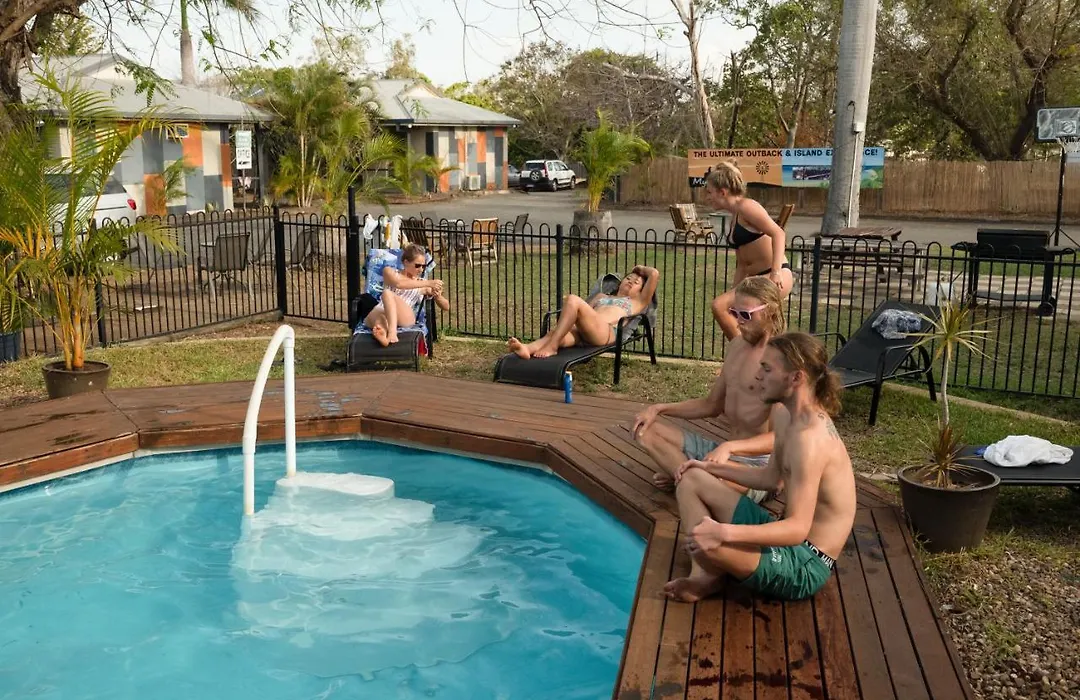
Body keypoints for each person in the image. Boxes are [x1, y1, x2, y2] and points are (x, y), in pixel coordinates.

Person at [662, 332, 855, 603]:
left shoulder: (811, 441)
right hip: (784, 537)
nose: (757, 376)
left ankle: (711, 567)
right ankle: (706, 574)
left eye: (766, 369)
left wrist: (723, 532)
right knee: (691, 478)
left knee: (706, 543)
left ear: (796, 378)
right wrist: (709, 468)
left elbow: (797, 529)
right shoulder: (787, 416)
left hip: (805, 562)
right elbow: (770, 479)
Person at [633, 276, 786, 502]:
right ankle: (690, 477)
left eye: (746, 315)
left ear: (770, 312)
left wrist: (731, 448)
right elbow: (711, 405)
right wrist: (658, 408)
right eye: (734, 313)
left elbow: (781, 438)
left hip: (758, 467)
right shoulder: (737, 345)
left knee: (705, 477)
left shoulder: (780, 360)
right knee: (644, 429)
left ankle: (685, 476)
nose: (738, 321)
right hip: (724, 453)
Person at [704, 161, 794, 341]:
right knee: (738, 316)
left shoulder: (747, 207)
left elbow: (778, 233)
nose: (707, 197)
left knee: (719, 306)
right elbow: (743, 263)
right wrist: (734, 291)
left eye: (709, 192)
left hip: (774, 276)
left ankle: (742, 352)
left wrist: (775, 272)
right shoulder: (735, 215)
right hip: (754, 280)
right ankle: (757, 353)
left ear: (722, 192)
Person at [508, 265, 659, 359]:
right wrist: (566, 329)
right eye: (628, 278)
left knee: (573, 300)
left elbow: (654, 274)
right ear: (620, 283)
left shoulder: (637, 302)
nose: (631, 281)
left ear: (640, 291)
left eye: (636, 282)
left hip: (606, 332)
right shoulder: (601, 296)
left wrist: (639, 269)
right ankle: (527, 348)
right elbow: (581, 313)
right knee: (556, 334)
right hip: (585, 331)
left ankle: (552, 347)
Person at [364, 244, 449, 347]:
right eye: (417, 265)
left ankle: (392, 333)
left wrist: (438, 296)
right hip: (383, 311)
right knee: (376, 319)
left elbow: (446, 307)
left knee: (387, 293)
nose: (421, 270)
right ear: (406, 262)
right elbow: (399, 284)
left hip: (405, 317)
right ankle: (384, 337)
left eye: (424, 266)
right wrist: (428, 283)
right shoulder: (389, 272)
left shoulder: (422, 283)